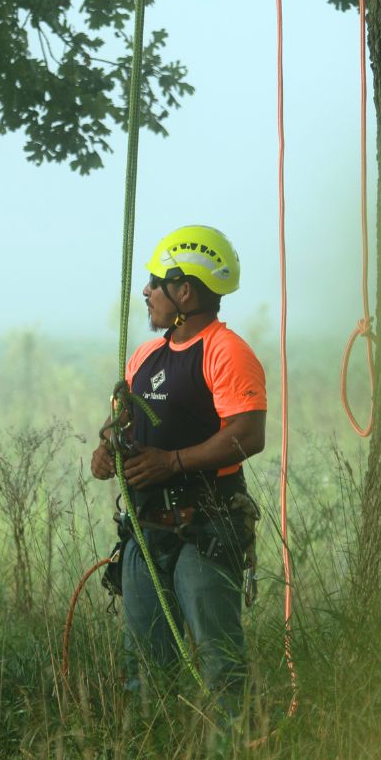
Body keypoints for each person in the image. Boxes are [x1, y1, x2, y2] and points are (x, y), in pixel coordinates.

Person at [90, 224, 266, 726]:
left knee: (220, 662)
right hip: (147, 530)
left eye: (154, 282)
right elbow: (123, 422)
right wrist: (106, 451)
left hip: (206, 528)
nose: (145, 292)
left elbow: (247, 434)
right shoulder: (146, 355)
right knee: (144, 666)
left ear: (184, 290)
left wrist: (173, 463)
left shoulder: (225, 352)